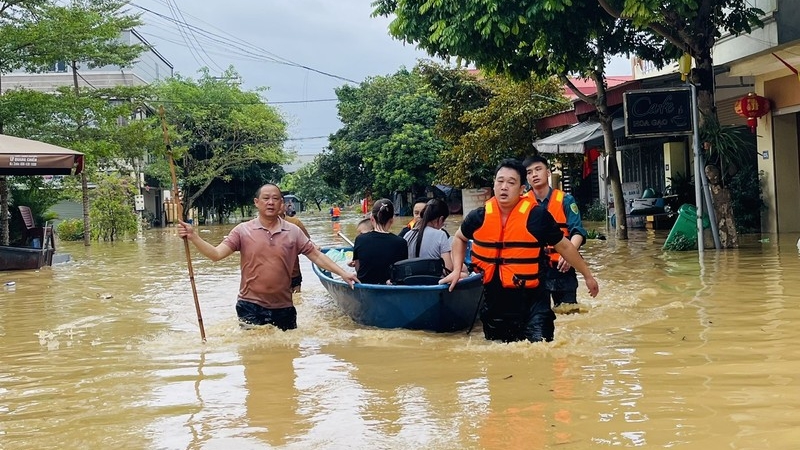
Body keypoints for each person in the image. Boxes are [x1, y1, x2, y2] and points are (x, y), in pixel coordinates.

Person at [439, 159, 599, 343]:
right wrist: (457, 270)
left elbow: (564, 246)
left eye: (511, 182)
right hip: (495, 304)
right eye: (500, 181)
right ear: (494, 184)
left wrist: (588, 276)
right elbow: (459, 238)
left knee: (541, 352)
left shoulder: (537, 216)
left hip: (533, 305)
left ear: (522, 189)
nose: (504, 187)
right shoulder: (479, 216)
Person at [178, 183, 359, 330]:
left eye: (275, 199)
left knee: (287, 363)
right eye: (266, 198)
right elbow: (216, 254)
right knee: (255, 360)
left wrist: (343, 273)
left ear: (282, 204)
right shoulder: (243, 231)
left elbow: (317, 256)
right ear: (257, 202)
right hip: (250, 306)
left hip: (284, 307)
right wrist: (194, 236)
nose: (270, 202)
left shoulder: (293, 231)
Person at [523, 155, 588, 310]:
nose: (534, 175)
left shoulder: (566, 200)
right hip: (533, 268)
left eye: (538, 169)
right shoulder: (521, 203)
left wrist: (569, 254)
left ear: (548, 172)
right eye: (529, 172)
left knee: (568, 313)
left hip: (562, 267)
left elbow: (577, 231)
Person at [352, 199, 408, 284]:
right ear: (392, 220)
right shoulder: (401, 242)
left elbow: (358, 268)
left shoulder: (360, 239)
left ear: (371, 219)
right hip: (390, 288)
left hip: (366, 287)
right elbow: (401, 271)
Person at [403, 198, 453, 272]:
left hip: (411, 280)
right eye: (443, 222)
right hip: (434, 280)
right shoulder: (441, 235)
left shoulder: (407, 234)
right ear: (441, 219)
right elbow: (448, 269)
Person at [281, 204, 311, 293]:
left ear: (283, 206)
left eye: (276, 199)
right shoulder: (256, 227)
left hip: (293, 272)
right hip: (271, 276)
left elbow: (306, 242)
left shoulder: (294, 222)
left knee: (296, 299)